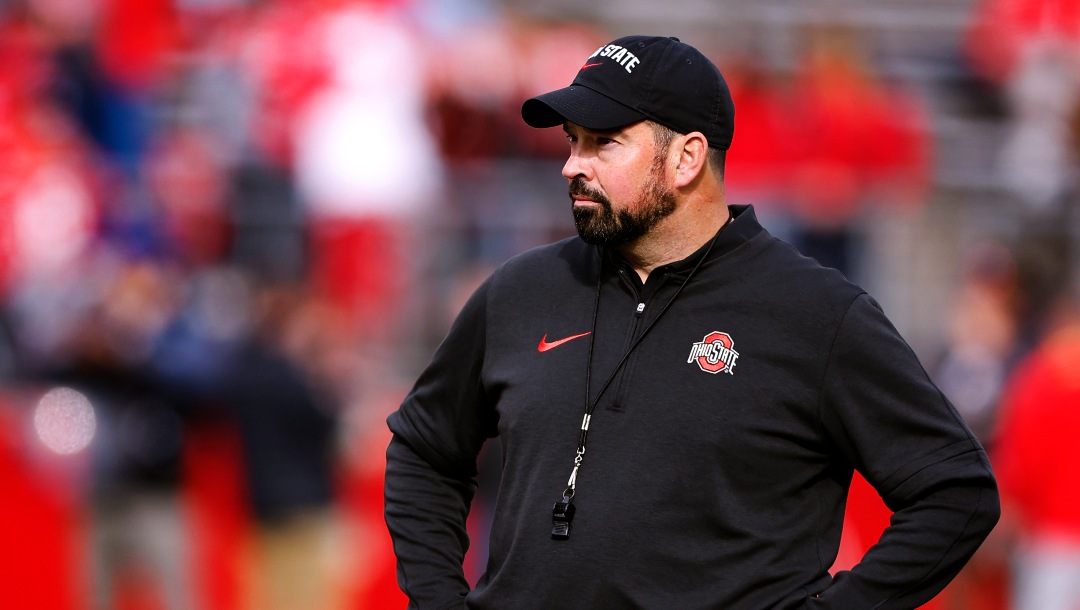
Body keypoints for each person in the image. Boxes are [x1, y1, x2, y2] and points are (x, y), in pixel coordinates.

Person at [383, 35, 1000, 609]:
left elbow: (955, 491)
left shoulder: (815, 312)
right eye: (572, 141)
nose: (572, 164)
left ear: (686, 157)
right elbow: (423, 450)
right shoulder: (520, 290)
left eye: (604, 142)